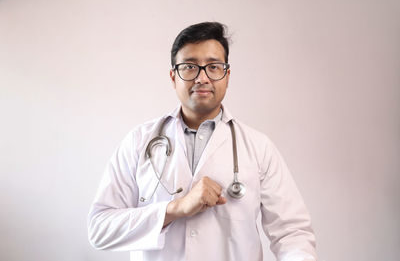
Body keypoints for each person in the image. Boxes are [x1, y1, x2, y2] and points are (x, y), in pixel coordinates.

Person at [88, 21, 317, 261]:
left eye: (214, 67)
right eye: (189, 67)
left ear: (227, 75)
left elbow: (292, 234)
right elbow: (100, 228)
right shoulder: (139, 142)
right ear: (173, 76)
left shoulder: (259, 147)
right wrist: (175, 208)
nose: (202, 78)